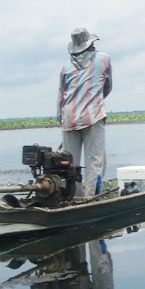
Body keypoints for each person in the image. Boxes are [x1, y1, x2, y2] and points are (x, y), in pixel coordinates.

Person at [57, 27, 112, 198]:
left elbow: (61, 97)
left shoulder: (65, 67)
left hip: (68, 118)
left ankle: (73, 197)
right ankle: (91, 198)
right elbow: (107, 87)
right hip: (93, 116)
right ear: (90, 44)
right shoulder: (103, 59)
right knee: (95, 162)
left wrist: (63, 120)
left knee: (69, 164)